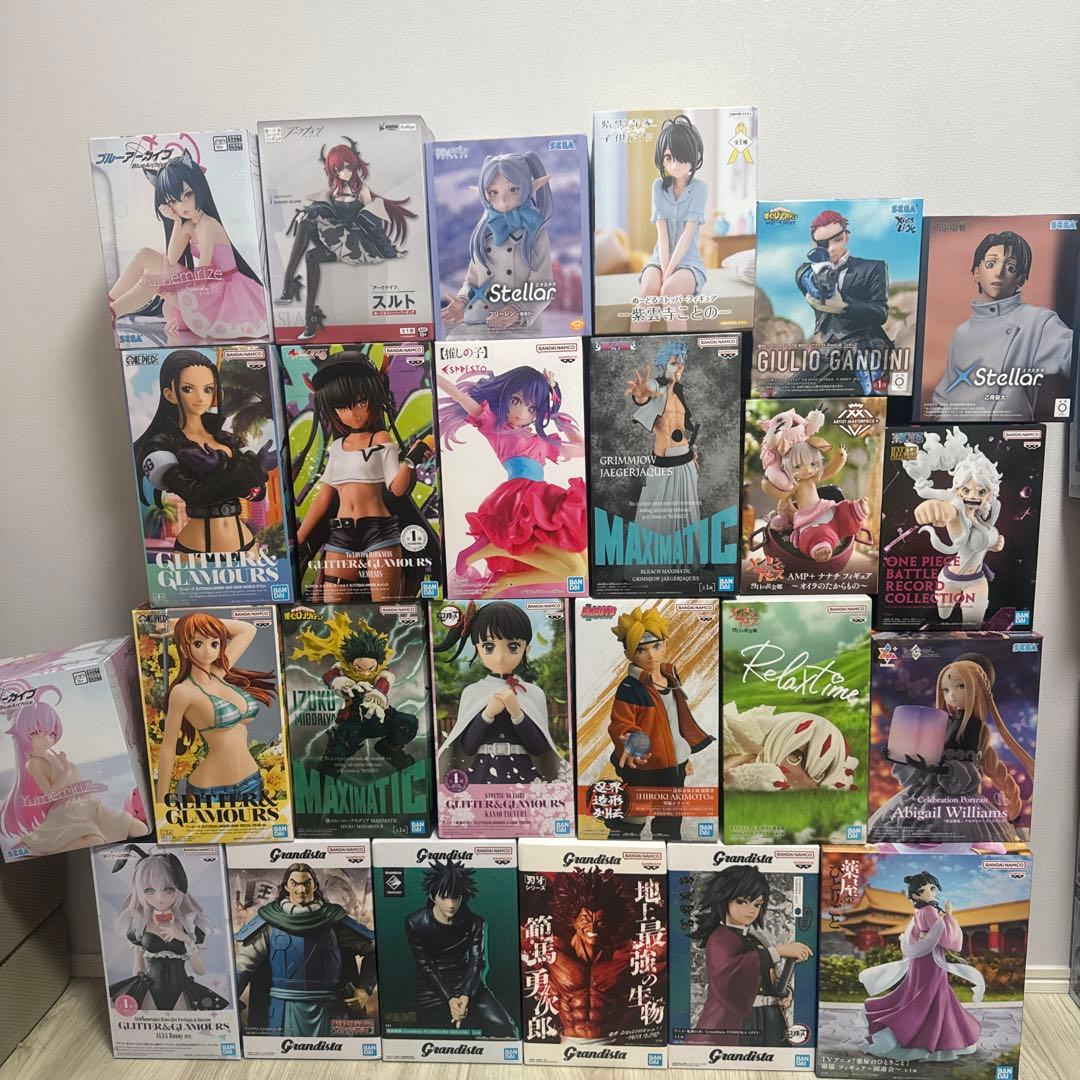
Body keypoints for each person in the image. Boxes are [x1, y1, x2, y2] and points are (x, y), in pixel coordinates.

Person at [295, 349, 436, 601]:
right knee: (333, 607)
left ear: (373, 398)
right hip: (341, 532)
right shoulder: (337, 447)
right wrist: (299, 537)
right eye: (341, 408)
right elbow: (324, 497)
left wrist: (410, 462)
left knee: (385, 607)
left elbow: (396, 488)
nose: (353, 414)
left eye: (361, 403)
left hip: (378, 530)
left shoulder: (380, 438)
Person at [437, 366, 586, 592]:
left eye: (532, 408)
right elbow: (460, 397)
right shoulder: (496, 427)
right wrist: (431, 375)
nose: (522, 413)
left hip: (541, 501)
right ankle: (491, 549)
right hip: (519, 499)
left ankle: (507, 580)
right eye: (516, 401)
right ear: (505, 397)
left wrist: (561, 420)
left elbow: (583, 449)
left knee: (581, 561)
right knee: (576, 569)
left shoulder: (543, 442)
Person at [869, 654, 1034, 842]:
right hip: (928, 790)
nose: (952, 695)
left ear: (977, 689)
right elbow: (928, 755)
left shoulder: (973, 726)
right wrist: (899, 756)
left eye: (961, 686)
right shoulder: (944, 721)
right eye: (946, 690)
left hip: (954, 796)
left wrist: (932, 766)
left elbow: (964, 771)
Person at [108, 149, 268, 342]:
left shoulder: (209, 225)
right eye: (173, 201)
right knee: (144, 255)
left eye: (188, 194)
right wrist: (176, 222)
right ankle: (110, 304)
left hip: (219, 288)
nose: (182, 205)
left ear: (199, 189)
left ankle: (111, 313)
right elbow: (171, 259)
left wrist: (177, 289)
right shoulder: (189, 225)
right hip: (204, 280)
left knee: (153, 279)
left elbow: (205, 268)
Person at [133, 350, 275, 556]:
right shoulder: (161, 444)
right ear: (169, 394)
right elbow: (198, 496)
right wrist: (250, 468)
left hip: (247, 546)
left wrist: (232, 470)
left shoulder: (227, 439)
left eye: (208, 389)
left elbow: (256, 493)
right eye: (188, 389)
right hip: (196, 552)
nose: (200, 398)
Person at [277, 140, 416, 340]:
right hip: (331, 238)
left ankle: (309, 320)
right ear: (332, 170)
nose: (344, 172)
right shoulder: (333, 190)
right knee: (305, 223)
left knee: (311, 256)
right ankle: (288, 285)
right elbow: (321, 209)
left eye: (348, 167)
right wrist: (306, 213)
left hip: (352, 245)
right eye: (338, 168)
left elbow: (373, 223)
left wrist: (388, 251)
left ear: (355, 166)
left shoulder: (362, 190)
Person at [931, 230, 1073, 420]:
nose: (999, 273)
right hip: (956, 435)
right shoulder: (962, 333)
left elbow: (1072, 356)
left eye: (1011, 267)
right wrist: (940, 427)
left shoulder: (1039, 322)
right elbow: (943, 396)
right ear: (976, 273)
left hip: (1013, 435)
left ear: (1021, 278)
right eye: (991, 264)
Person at [605, 606, 714, 840]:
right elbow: (620, 723)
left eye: (656, 646)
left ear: (664, 645)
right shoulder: (629, 687)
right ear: (629, 655)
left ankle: (669, 851)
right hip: (644, 765)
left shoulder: (671, 677)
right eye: (641, 650)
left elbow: (676, 722)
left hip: (674, 765)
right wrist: (629, 740)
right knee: (633, 817)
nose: (651, 655)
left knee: (670, 820)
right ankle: (621, 851)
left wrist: (684, 756)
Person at [0, 683, 147, 856]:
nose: (47, 739)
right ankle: (39, 850)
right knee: (96, 841)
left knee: (141, 829)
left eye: (50, 733)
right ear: (24, 734)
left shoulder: (54, 755)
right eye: (36, 733)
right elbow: (50, 794)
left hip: (89, 805)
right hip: (67, 813)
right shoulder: (33, 764)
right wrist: (64, 770)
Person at [234, 862, 376, 1036]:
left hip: (331, 1008)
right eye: (295, 884)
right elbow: (243, 966)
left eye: (306, 883)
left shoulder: (334, 919)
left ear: (314, 885)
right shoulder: (269, 921)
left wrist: (364, 989)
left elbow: (373, 950)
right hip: (282, 1010)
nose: (301, 889)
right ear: (286, 886)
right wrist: (230, 1004)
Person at [434, 602, 564, 785]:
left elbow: (538, 748)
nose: (500, 657)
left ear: (526, 649)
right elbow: (468, 747)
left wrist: (517, 714)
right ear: (477, 649)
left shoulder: (533, 693)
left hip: (523, 777)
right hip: (482, 775)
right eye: (489, 647)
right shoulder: (472, 692)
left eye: (512, 647)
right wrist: (487, 714)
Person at [860, 871, 983, 1062]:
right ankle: (929, 1039)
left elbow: (917, 934)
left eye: (933, 888)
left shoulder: (918, 912)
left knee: (920, 993)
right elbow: (946, 938)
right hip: (931, 960)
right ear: (916, 895)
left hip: (920, 960)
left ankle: (925, 1036)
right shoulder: (930, 911)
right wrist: (949, 917)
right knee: (931, 995)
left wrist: (927, 934)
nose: (931, 892)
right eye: (925, 890)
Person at [155, 612, 276, 806]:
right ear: (184, 648)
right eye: (197, 643)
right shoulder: (183, 692)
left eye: (214, 643)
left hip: (252, 781)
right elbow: (168, 747)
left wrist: (183, 623)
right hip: (210, 790)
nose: (208, 651)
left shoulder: (220, 672)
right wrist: (161, 802)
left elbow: (248, 629)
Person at [689, 865, 813, 1046]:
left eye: (757, 904)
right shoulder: (720, 938)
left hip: (768, 1015)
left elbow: (764, 977)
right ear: (723, 899)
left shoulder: (755, 939)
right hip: (739, 1021)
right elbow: (729, 976)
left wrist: (784, 992)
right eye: (741, 902)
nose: (751, 910)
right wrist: (777, 951)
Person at [288, 612, 419, 775]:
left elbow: (385, 679)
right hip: (353, 722)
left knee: (409, 723)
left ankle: (389, 748)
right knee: (334, 757)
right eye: (359, 668)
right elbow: (329, 676)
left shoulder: (381, 671)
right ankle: (323, 783)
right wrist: (341, 683)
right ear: (350, 663)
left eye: (370, 669)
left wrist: (377, 695)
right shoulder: (343, 669)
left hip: (379, 717)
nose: (365, 673)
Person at [441, 152, 554, 335]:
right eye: (494, 192)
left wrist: (515, 311)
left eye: (513, 190)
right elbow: (472, 282)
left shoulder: (535, 234)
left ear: (527, 188)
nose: (503, 201)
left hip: (519, 329)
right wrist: (461, 301)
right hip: (475, 323)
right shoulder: (483, 233)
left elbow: (543, 286)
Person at [404, 859, 517, 1036]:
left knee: (506, 1029)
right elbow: (425, 966)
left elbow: (477, 962)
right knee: (415, 1032)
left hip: (468, 982)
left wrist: (465, 995)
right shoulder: (415, 922)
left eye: (455, 897)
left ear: (462, 897)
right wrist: (450, 999)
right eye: (444, 897)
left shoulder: (475, 922)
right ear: (433, 896)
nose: (451, 904)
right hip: (432, 987)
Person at [109, 847, 228, 1012]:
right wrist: (136, 993)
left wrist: (185, 938)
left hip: (180, 989)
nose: (160, 898)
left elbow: (200, 970)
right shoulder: (139, 924)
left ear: (179, 888)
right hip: (149, 989)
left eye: (168, 889)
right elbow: (138, 966)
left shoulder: (189, 925)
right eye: (149, 890)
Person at [794, 209, 894, 394]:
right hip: (828, 352)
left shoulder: (873, 267)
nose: (832, 248)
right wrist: (818, 272)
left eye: (837, 240)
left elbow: (880, 312)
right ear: (814, 244)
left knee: (875, 393)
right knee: (786, 393)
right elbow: (804, 278)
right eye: (823, 244)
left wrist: (844, 306)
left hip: (864, 345)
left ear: (846, 236)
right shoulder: (807, 270)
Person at [634, 114, 708, 333]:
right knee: (647, 290)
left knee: (669, 291)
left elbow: (687, 236)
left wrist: (668, 277)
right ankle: (635, 349)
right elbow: (662, 234)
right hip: (659, 259)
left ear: (694, 156)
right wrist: (664, 270)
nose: (675, 165)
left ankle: (679, 353)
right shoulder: (658, 187)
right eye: (669, 157)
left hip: (689, 264)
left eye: (682, 157)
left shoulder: (700, 189)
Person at [624, 340, 702, 537]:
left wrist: (692, 452)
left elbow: (681, 427)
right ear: (663, 365)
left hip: (687, 461)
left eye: (681, 363)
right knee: (653, 524)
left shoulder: (679, 393)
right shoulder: (655, 388)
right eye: (674, 363)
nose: (679, 367)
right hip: (663, 464)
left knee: (689, 521)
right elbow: (644, 395)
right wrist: (640, 397)